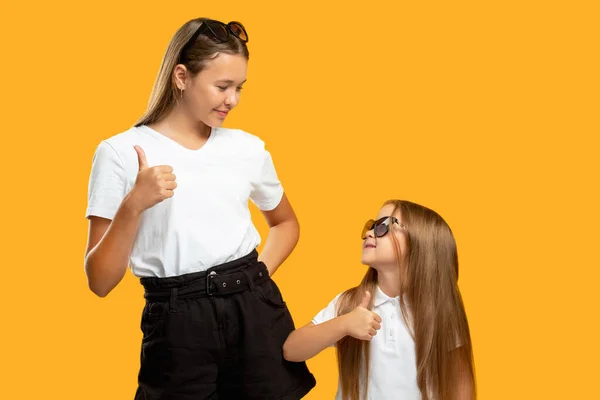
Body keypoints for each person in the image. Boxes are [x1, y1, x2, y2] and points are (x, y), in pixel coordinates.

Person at [84, 17, 315, 399]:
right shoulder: (119, 153)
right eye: (222, 86)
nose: (233, 100)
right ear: (181, 76)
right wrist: (133, 205)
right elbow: (100, 282)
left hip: (254, 312)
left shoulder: (246, 148)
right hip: (177, 324)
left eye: (239, 87)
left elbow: (286, 223)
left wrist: (253, 280)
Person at [283, 200, 475, 400]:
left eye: (384, 226)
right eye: (372, 226)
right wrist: (344, 324)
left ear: (422, 241)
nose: (369, 233)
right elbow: (291, 350)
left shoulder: (440, 313)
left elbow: (460, 388)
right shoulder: (351, 303)